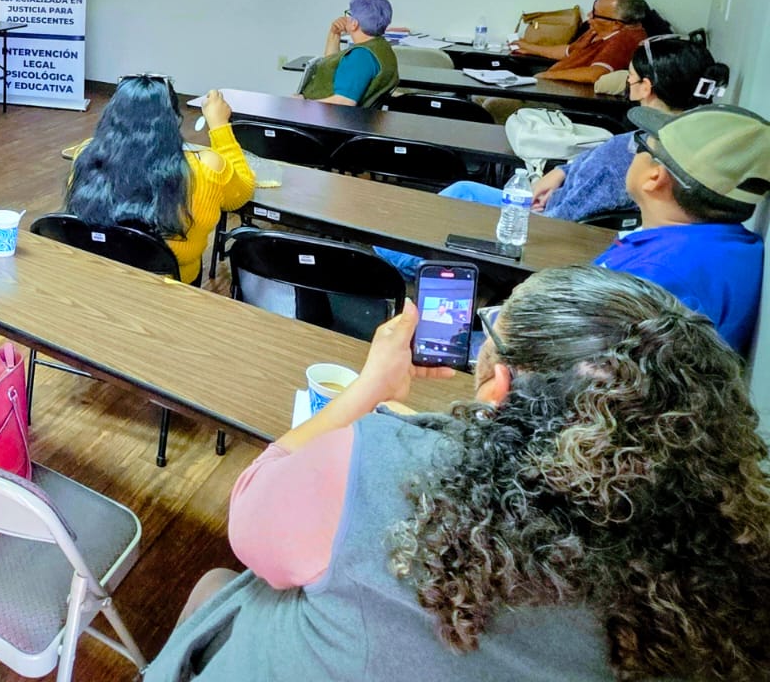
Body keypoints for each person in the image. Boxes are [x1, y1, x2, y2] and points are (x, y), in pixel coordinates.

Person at [149, 267, 770, 682]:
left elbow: (250, 511)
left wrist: (371, 390)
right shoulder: (717, 577)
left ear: (499, 386)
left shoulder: (380, 465)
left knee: (216, 584)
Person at [440, 34, 729, 220]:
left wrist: (540, 211)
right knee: (464, 190)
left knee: (455, 200)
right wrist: (560, 173)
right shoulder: (672, 135)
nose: (627, 82)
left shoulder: (624, 163)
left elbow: (564, 221)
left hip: (542, 220)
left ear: (646, 87)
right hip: (556, 195)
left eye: (629, 76)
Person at [593, 102, 770, 353]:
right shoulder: (733, 246)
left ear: (655, 177)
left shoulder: (653, 279)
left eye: (641, 145)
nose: (634, 153)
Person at [65, 76, 255, 284]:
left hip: (99, 275)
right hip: (170, 285)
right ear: (175, 119)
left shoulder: (85, 154)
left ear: (111, 114)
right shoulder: (207, 166)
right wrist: (219, 125)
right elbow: (242, 194)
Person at [514, 0, 665, 82]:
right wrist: (528, 47)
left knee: (501, 103)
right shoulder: (597, 30)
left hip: (564, 98)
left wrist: (547, 76)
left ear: (616, 24)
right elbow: (569, 51)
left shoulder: (625, 40)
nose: (589, 16)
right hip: (548, 85)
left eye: (595, 14)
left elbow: (596, 74)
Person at [298, 0, 398, 107]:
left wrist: (303, 104)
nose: (346, 18)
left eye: (349, 14)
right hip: (357, 115)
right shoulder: (381, 46)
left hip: (329, 115)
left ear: (354, 24)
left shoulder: (360, 57)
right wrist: (334, 34)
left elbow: (344, 102)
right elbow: (331, 64)